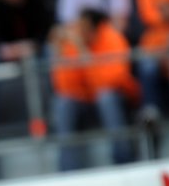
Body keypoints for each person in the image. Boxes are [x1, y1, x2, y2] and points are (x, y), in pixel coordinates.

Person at [51, 9, 140, 170]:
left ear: (95, 27)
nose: (80, 32)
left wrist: (87, 59)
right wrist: (63, 52)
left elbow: (115, 79)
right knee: (64, 103)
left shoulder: (112, 38)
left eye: (84, 28)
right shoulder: (75, 42)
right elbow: (64, 86)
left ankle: (123, 159)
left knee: (106, 98)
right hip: (88, 101)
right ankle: (68, 168)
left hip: (119, 98)